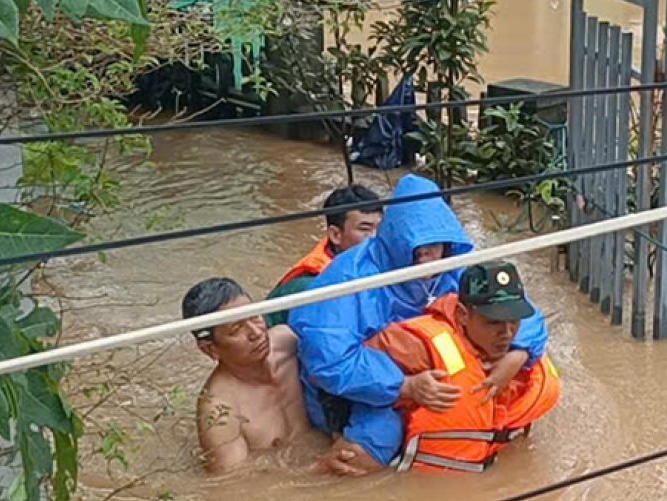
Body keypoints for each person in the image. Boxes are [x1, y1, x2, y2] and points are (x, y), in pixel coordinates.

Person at [289, 174, 550, 473]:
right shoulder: (348, 280)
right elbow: (328, 362)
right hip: (360, 390)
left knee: (514, 394)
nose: (427, 257)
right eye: (418, 249)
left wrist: (517, 354)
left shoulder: (454, 265)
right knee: (372, 447)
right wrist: (406, 386)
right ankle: (317, 475)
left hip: (428, 374)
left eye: (434, 246)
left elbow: (523, 313)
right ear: (398, 242)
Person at [359, 260, 561, 474]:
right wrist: (406, 386)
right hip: (430, 487)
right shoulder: (417, 345)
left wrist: (519, 354)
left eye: (514, 321)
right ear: (463, 315)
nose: (507, 333)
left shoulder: (523, 349)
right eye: (493, 322)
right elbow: (352, 374)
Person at [183, 277, 309, 474]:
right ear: (210, 349)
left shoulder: (288, 342)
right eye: (236, 329)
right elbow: (236, 489)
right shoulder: (219, 411)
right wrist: (318, 470)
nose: (256, 332)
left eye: (255, 316)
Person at [265, 185, 383, 328]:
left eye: (380, 228)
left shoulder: (382, 262)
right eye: (365, 229)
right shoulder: (309, 286)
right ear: (335, 235)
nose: (375, 237)